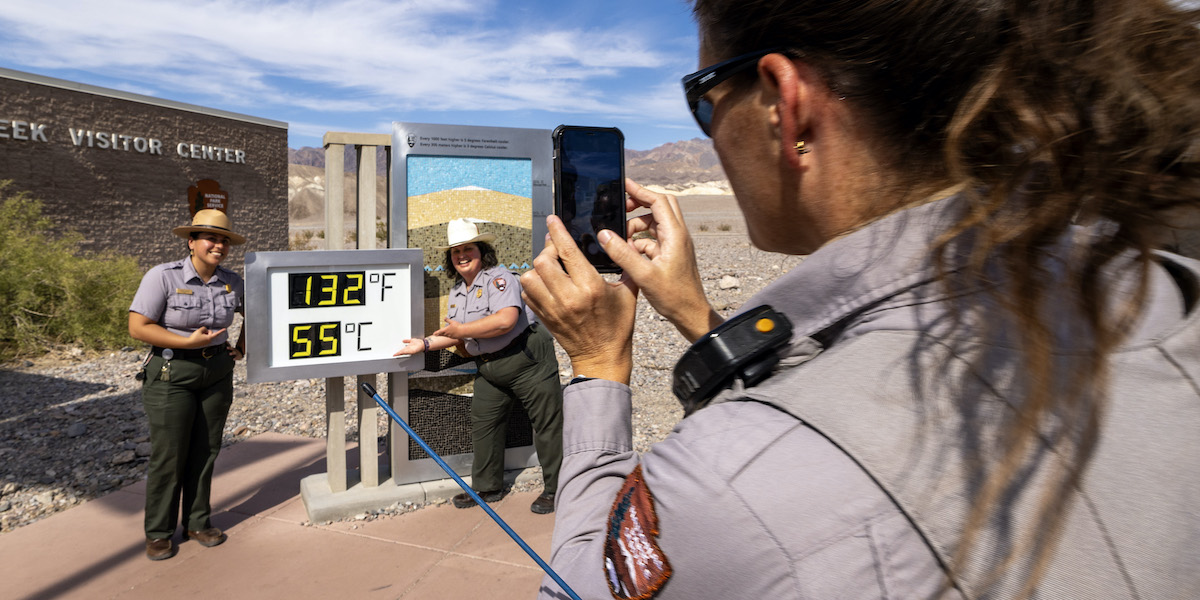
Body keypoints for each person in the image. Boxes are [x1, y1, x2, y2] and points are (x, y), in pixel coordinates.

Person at [521, 1, 1200, 598]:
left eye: (704, 101)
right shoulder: (1158, 288)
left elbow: (579, 588)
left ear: (784, 105)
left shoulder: (731, 483)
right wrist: (695, 315)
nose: (709, 132)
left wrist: (599, 363)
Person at [394, 218, 563, 515]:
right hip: (490, 366)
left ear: (481, 251)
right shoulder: (458, 293)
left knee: (547, 425)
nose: (461, 255)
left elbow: (505, 320)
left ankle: (557, 490)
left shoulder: (499, 278)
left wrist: (461, 333)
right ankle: (488, 486)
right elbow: (454, 332)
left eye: (467, 249)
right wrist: (424, 344)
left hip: (526, 360)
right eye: (455, 251)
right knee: (484, 424)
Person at [128, 209, 247, 561]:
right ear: (192, 242)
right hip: (171, 374)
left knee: (207, 449)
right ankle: (159, 532)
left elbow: (256, 315)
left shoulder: (232, 281)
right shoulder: (162, 277)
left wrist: (241, 348)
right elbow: (138, 327)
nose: (219, 245)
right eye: (211, 238)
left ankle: (197, 522)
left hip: (217, 373)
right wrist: (187, 343)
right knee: (170, 454)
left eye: (224, 239)